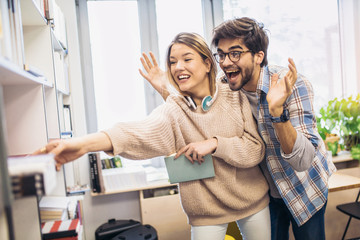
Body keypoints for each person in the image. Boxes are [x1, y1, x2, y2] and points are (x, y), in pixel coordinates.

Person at [35, 32, 272, 240]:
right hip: (207, 212)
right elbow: (137, 132)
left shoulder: (233, 92)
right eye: (172, 62)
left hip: (253, 203)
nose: (178, 67)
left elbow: (255, 150)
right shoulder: (174, 108)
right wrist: (81, 144)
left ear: (208, 64)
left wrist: (214, 144)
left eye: (187, 59)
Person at [144, 18, 337, 240]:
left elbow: (302, 160)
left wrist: (277, 112)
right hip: (266, 191)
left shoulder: (292, 84)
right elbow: (194, 114)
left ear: (258, 56)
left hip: (304, 187)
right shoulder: (224, 87)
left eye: (235, 53)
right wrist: (164, 89)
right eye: (222, 55)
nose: (226, 62)